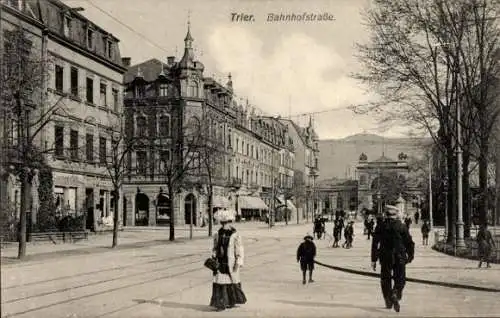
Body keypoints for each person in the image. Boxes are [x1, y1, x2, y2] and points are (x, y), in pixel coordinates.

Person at [371, 205, 415, 313]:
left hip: (385, 256)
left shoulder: (380, 226)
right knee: (400, 278)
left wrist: (374, 259)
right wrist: (410, 256)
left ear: (386, 214)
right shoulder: (402, 226)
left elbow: (375, 244)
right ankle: (395, 292)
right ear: (396, 215)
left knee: (385, 279)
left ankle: (388, 300)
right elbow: (409, 243)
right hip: (399, 256)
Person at [210, 209, 247, 311]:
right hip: (220, 261)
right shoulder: (218, 233)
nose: (224, 224)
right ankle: (221, 303)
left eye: (226, 222)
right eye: (222, 223)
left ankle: (231, 301)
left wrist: (238, 262)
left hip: (231, 261)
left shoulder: (235, 235)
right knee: (220, 281)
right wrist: (213, 255)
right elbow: (215, 247)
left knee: (231, 281)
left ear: (230, 222)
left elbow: (239, 249)